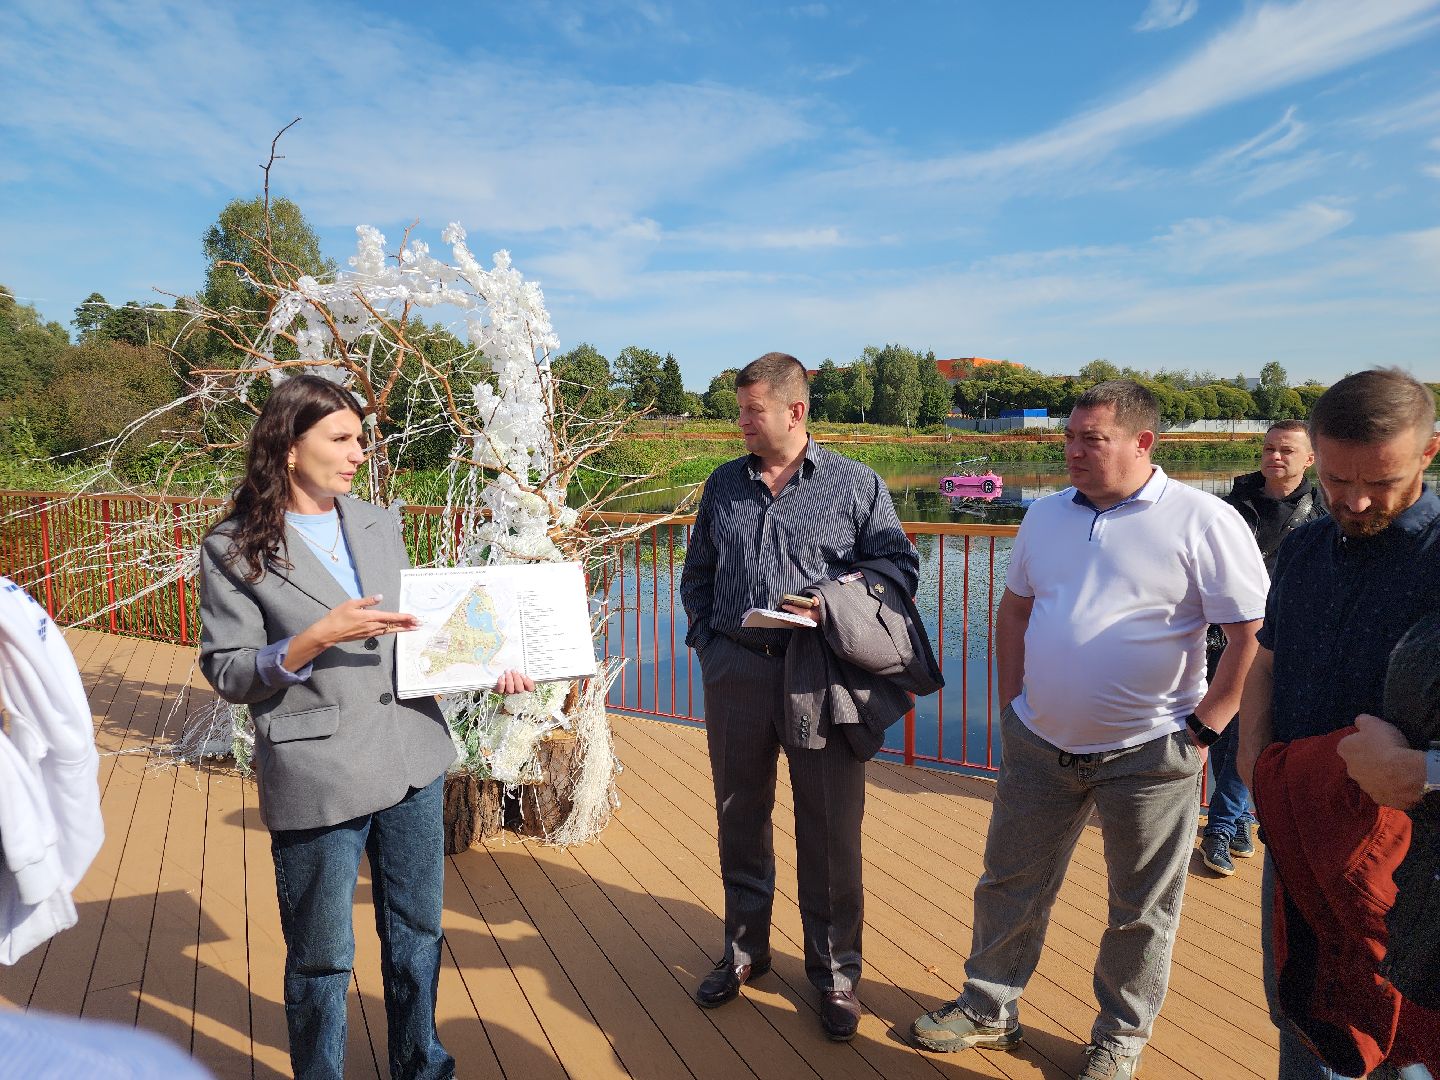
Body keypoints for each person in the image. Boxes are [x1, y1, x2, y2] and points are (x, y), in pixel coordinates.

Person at [909, 380, 1269, 1080]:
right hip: (1039, 743)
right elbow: (1014, 612)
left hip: (1151, 751)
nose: (1072, 450)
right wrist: (1013, 705)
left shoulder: (1202, 519)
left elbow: (1251, 633)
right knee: (1009, 881)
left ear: (1142, 443)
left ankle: (1119, 1038)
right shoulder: (1045, 516)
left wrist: (1206, 726)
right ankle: (989, 1007)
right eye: (1069, 438)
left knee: (1140, 909)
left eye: (1090, 439)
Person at [198, 375, 531, 1080]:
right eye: (341, 439)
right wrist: (314, 637)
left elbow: (420, 638)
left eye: (360, 438)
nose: (358, 453)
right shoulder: (231, 548)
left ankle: (423, 1067)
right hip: (319, 773)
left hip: (411, 754)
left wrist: (489, 663)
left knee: (418, 937)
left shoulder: (378, 521)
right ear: (290, 447)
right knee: (322, 959)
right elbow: (229, 672)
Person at [679, 352, 919, 1042]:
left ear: (796, 410)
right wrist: (707, 640)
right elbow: (698, 571)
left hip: (823, 674)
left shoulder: (855, 484)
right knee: (739, 817)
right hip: (737, 676)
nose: (743, 424)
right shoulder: (724, 484)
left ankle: (837, 975)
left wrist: (830, 603)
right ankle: (745, 951)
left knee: (831, 831)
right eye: (741, 412)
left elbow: (899, 567)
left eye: (754, 411)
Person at [1238, 367, 1440, 1080]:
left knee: (1398, 1038)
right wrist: (1252, 755)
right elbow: (1267, 658)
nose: (1354, 500)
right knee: (1304, 1012)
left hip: (1412, 865)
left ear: (1429, 452)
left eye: (1378, 483)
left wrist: (1422, 773)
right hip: (1298, 831)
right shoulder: (1306, 544)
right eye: (1335, 479)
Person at [1201, 420, 1325, 877]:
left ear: (1309, 459)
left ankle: (1226, 823)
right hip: (1227, 635)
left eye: (1287, 450)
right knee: (1222, 729)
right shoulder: (1231, 507)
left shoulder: (1322, 515)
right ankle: (1235, 821)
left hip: (1283, 639)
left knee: (1255, 728)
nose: (1275, 456)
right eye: (1269, 448)